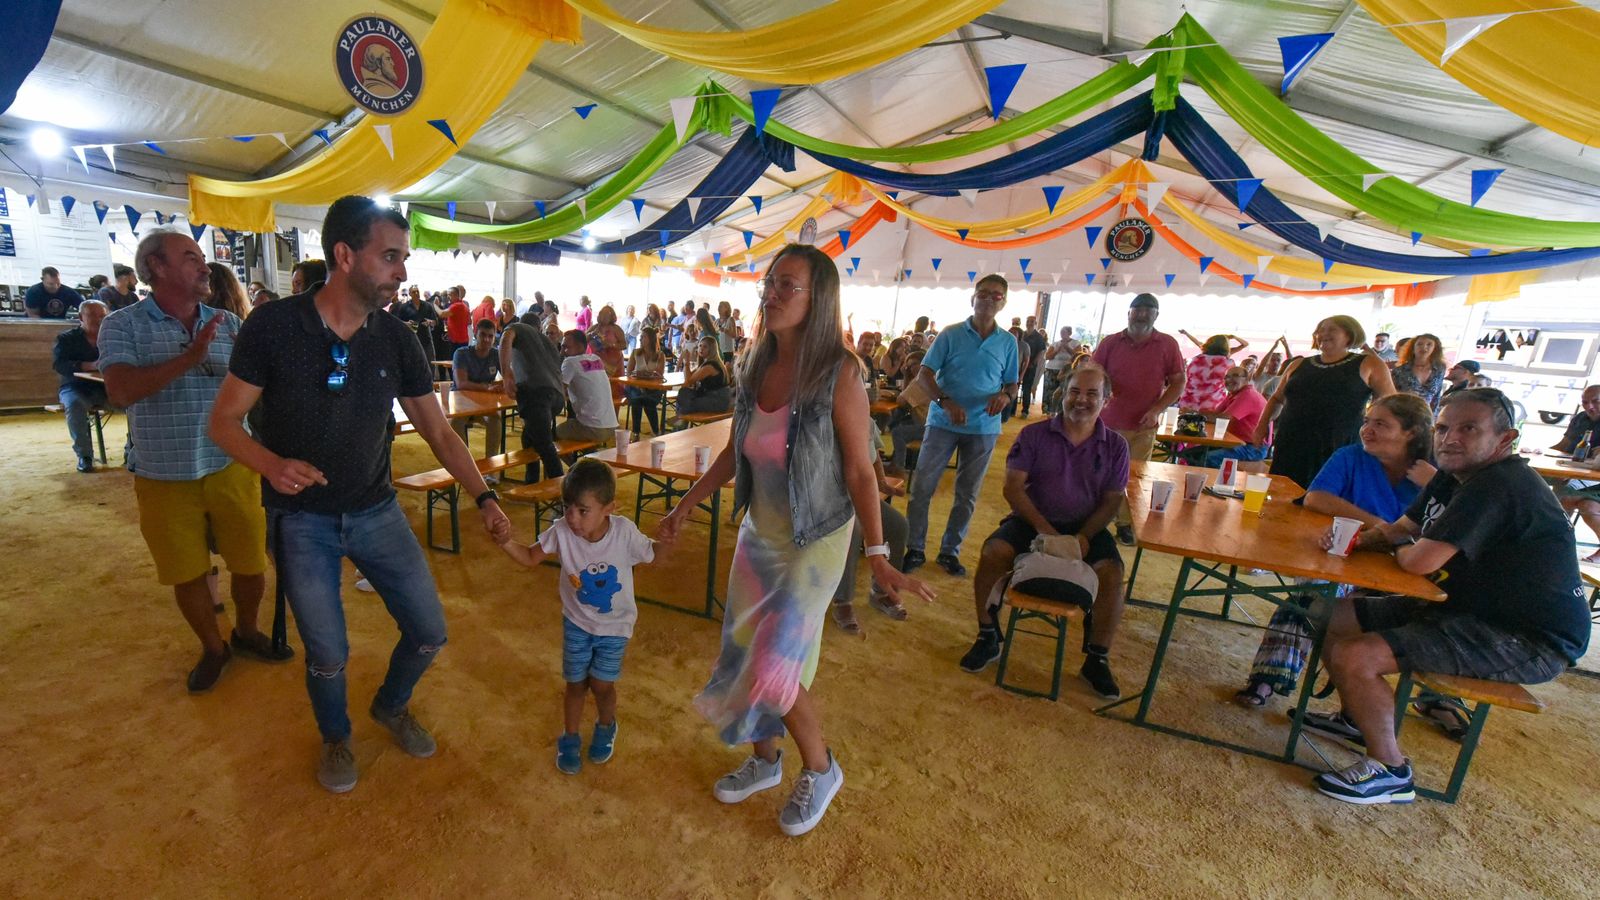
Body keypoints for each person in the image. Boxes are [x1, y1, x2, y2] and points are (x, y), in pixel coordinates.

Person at [208, 195, 512, 794]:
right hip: (301, 521)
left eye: (404, 257)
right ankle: (336, 738)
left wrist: (486, 498)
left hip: (376, 511)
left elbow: (440, 433)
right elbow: (222, 424)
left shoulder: (397, 339)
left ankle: (390, 706)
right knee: (327, 653)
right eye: (391, 256)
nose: (403, 270)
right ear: (344, 256)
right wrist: (271, 465)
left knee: (429, 630)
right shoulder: (273, 327)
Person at [655, 244, 933, 837]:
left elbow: (861, 471)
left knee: (774, 669)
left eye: (789, 286)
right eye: (771, 283)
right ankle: (763, 761)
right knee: (744, 650)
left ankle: (822, 767)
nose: (773, 294)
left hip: (816, 538)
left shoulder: (841, 371)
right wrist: (684, 505)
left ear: (819, 299)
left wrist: (879, 555)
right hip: (761, 534)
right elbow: (736, 451)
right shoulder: (755, 362)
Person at [1302, 389, 1588, 805]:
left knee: (1355, 654)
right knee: (1329, 614)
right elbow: (1402, 528)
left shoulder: (1499, 484)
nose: (1450, 438)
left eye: (1468, 428)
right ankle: (1354, 719)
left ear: (1505, 440)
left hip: (1527, 635)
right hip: (1462, 605)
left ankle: (1391, 771)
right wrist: (1362, 540)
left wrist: (1395, 546)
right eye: (1443, 428)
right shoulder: (1452, 476)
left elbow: (1418, 560)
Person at [100, 230, 285, 693]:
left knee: (249, 564)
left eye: (203, 258)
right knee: (186, 573)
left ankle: (244, 631)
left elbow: (257, 391)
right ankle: (213, 648)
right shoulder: (122, 326)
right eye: (190, 258)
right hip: (163, 473)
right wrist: (191, 358)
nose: (204, 266)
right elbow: (120, 391)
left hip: (231, 465)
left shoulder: (228, 322)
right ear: (156, 267)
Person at [1233, 394, 1436, 708]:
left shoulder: (1436, 473)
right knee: (1311, 598)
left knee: (1436, 619)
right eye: (1367, 421)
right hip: (1350, 556)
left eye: (1381, 424)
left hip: (1408, 571)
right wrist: (1381, 525)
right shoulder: (1352, 456)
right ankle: (1266, 679)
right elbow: (1317, 497)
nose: (1367, 429)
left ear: (1411, 432)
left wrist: (1436, 485)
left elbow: (1457, 526)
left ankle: (1435, 701)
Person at [963, 367, 1130, 695]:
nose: (1081, 400)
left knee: (1112, 573)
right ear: (1062, 393)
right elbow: (1013, 489)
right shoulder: (1034, 435)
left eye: (1092, 394)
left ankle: (1096, 658)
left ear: (1106, 401)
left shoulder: (1116, 446)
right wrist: (1046, 531)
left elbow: (1112, 501)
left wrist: (1083, 536)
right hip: (1032, 520)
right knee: (992, 553)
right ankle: (987, 635)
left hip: (1087, 527)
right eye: (1074, 391)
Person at [498, 460, 669, 774]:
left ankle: (606, 725)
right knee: (575, 684)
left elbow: (655, 556)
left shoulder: (624, 533)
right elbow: (530, 557)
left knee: (602, 685)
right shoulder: (562, 531)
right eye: (567, 508)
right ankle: (571, 736)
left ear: (608, 508)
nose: (572, 518)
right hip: (576, 623)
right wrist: (505, 541)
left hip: (615, 627)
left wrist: (669, 539)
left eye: (582, 510)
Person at [903, 275, 1020, 576]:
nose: (989, 299)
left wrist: (1005, 397)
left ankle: (949, 552)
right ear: (973, 298)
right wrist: (944, 402)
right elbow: (924, 374)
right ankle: (914, 548)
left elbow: (1011, 383)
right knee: (922, 488)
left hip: (983, 427)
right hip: (942, 422)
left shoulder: (1008, 342)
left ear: (1003, 302)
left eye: (996, 295)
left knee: (967, 494)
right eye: (983, 293)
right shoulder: (950, 334)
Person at [1253, 316, 1396, 490]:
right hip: (1292, 442)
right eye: (1320, 330)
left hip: (1338, 444)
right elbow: (1277, 399)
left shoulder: (1369, 364)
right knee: (1282, 493)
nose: (1323, 334)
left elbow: (1389, 405)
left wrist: (1379, 439)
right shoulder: (1298, 364)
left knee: (1326, 496)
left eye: (1331, 329)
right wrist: (1261, 427)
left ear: (1350, 334)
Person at [1091, 294, 1184, 545]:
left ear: (1156, 315)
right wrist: (1101, 395)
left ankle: (1124, 523)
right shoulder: (1110, 342)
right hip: (1106, 422)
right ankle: (1092, 519)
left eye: (1148, 310)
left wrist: (1157, 409)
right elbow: (1093, 373)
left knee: (1133, 477)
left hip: (1143, 425)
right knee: (1097, 471)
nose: (1142, 314)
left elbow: (1178, 382)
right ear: (1128, 313)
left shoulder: (1167, 344)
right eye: (1137, 309)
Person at [500, 313, 568, 483]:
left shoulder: (518, 328)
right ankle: (531, 481)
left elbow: (506, 338)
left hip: (536, 395)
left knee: (546, 447)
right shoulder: (548, 343)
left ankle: (562, 496)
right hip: (557, 397)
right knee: (530, 436)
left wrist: (506, 373)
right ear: (539, 327)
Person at [52, 299, 110, 472]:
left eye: (102, 316)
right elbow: (59, 365)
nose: (98, 320)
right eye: (92, 315)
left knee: (135, 401)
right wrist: (88, 365)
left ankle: (132, 452)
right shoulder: (66, 339)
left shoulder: (112, 337)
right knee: (75, 405)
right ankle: (85, 456)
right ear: (80, 317)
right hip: (74, 386)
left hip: (105, 387)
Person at [1551, 384, 1600, 561]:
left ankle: (1555, 543)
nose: (1590, 406)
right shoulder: (1581, 419)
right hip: (1576, 475)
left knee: (1572, 500)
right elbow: (1563, 445)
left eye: (1596, 401)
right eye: (1585, 402)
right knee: (1534, 483)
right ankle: (1555, 542)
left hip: (1594, 481)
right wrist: (1539, 451)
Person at [1187, 366, 1270, 467]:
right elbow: (1216, 414)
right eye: (1226, 377)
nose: (1229, 380)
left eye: (1235, 376)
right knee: (1191, 454)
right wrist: (1197, 412)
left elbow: (1223, 419)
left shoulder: (1248, 395)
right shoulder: (1234, 394)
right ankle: (1198, 481)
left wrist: (1194, 413)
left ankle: (1213, 482)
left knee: (1209, 458)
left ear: (1247, 379)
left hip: (1253, 448)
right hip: (1235, 442)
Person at [450, 319, 503, 461]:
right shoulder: (461, 353)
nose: (486, 339)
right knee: (455, 423)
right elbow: (461, 384)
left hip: (483, 403)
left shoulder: (496, 354)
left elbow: (509, 377)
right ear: (475, 334)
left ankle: (492, 467)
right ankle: (464, 464)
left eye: (490, 336)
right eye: (483, 335)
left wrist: (502, 385)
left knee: (495, 419)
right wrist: (487, 387)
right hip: (461, 402)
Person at [558, 329, 621, 445]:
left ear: (580, 346)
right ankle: (588, 457)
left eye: (566, 347)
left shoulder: (570, 362)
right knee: (573, 424)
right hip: (611, 425)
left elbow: (558, 392)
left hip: (593, 427)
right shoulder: (595, 359)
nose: (562, 352)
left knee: (553, 434)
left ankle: (574, 463)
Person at [1176, 331, 1246, 412]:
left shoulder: (1195, 360)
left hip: (1188, 402)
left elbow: (1187, 378)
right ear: (1226, 346)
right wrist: (1234, 337)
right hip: (1212, 403)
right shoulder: (1228, 363)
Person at [625, 326, 667, 437]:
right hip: (636, 386)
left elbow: (659, 375)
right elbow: (628, 373)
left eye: (643, 337)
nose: (640, 339)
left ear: (651, 339)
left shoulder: (660, 355)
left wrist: (647, 376)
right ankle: (640, 432)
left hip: (652, 389)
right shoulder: (635, 353)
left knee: (646, 400)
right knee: (637, 400)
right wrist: (639, 376)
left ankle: (648, 431)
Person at [675, 336, 733, 417]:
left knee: (685, 398)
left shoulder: (710, 366)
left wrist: (686, 361)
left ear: (712, 349)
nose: (701, 349)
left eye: (705, 347)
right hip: (713, 397)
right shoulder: (707, 362)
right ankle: (681, 419)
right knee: (684, 393)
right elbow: (691, 377)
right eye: (700, 346)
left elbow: (688, 381)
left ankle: (680, 420)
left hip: (717, 400)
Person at [1389, 332, 1447, 411]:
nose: (1424, 347)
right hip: (1402, 412)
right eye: (1419, 344)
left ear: (1435, 349)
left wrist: (1434, 418)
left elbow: (1436, 397)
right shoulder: (1400, 370)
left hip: (1426, 416)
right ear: (1413, 348)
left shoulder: (1439, 369)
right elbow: (1391, 395)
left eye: (1429, 344)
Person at [390, 285, 438, 362]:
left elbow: (435, 321)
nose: (416, 293)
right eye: (413, 292)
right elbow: (397, 321)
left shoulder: (427, 305)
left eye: (417, 291)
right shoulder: (404, 307)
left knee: (430, 363)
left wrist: (430, 322)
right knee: (414, 363)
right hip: (411, 340)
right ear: (410, 294)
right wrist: (406, 323)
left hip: (426, 339)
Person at [1040, 326, 1078, 416]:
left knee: (1062, 391)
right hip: (1051, 368)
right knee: (1049, 390)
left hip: (1067, 370)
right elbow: (1047, 356)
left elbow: (1077, 356)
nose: (1062, 334)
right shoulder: (1056, 343)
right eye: (1061, 332)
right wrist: (1057, 350)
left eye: (1064, 332)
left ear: (1069, 333)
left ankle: (1061, 412)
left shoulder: (1075, 343)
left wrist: (1068, 348)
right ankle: (1048, 411)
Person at [1018, 315, 1048, 418]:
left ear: (1035, 324)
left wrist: (1033, 363)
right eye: (1028, 321)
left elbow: (1041, 352)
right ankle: (1011, 410)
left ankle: (1025, 411)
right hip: (1018, 365)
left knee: (1026, 388)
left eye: (1032, 321)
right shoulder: (1022, 334)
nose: (1029, 323)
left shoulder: (1038, 337)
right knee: (1014, 385)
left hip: (1030, 366)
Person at [444, 286, 472, 352]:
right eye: (462, 291)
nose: (463, 293)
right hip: (456, 337)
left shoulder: (461, 304)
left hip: (458, 338)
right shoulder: (461, 304)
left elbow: (468, 321)